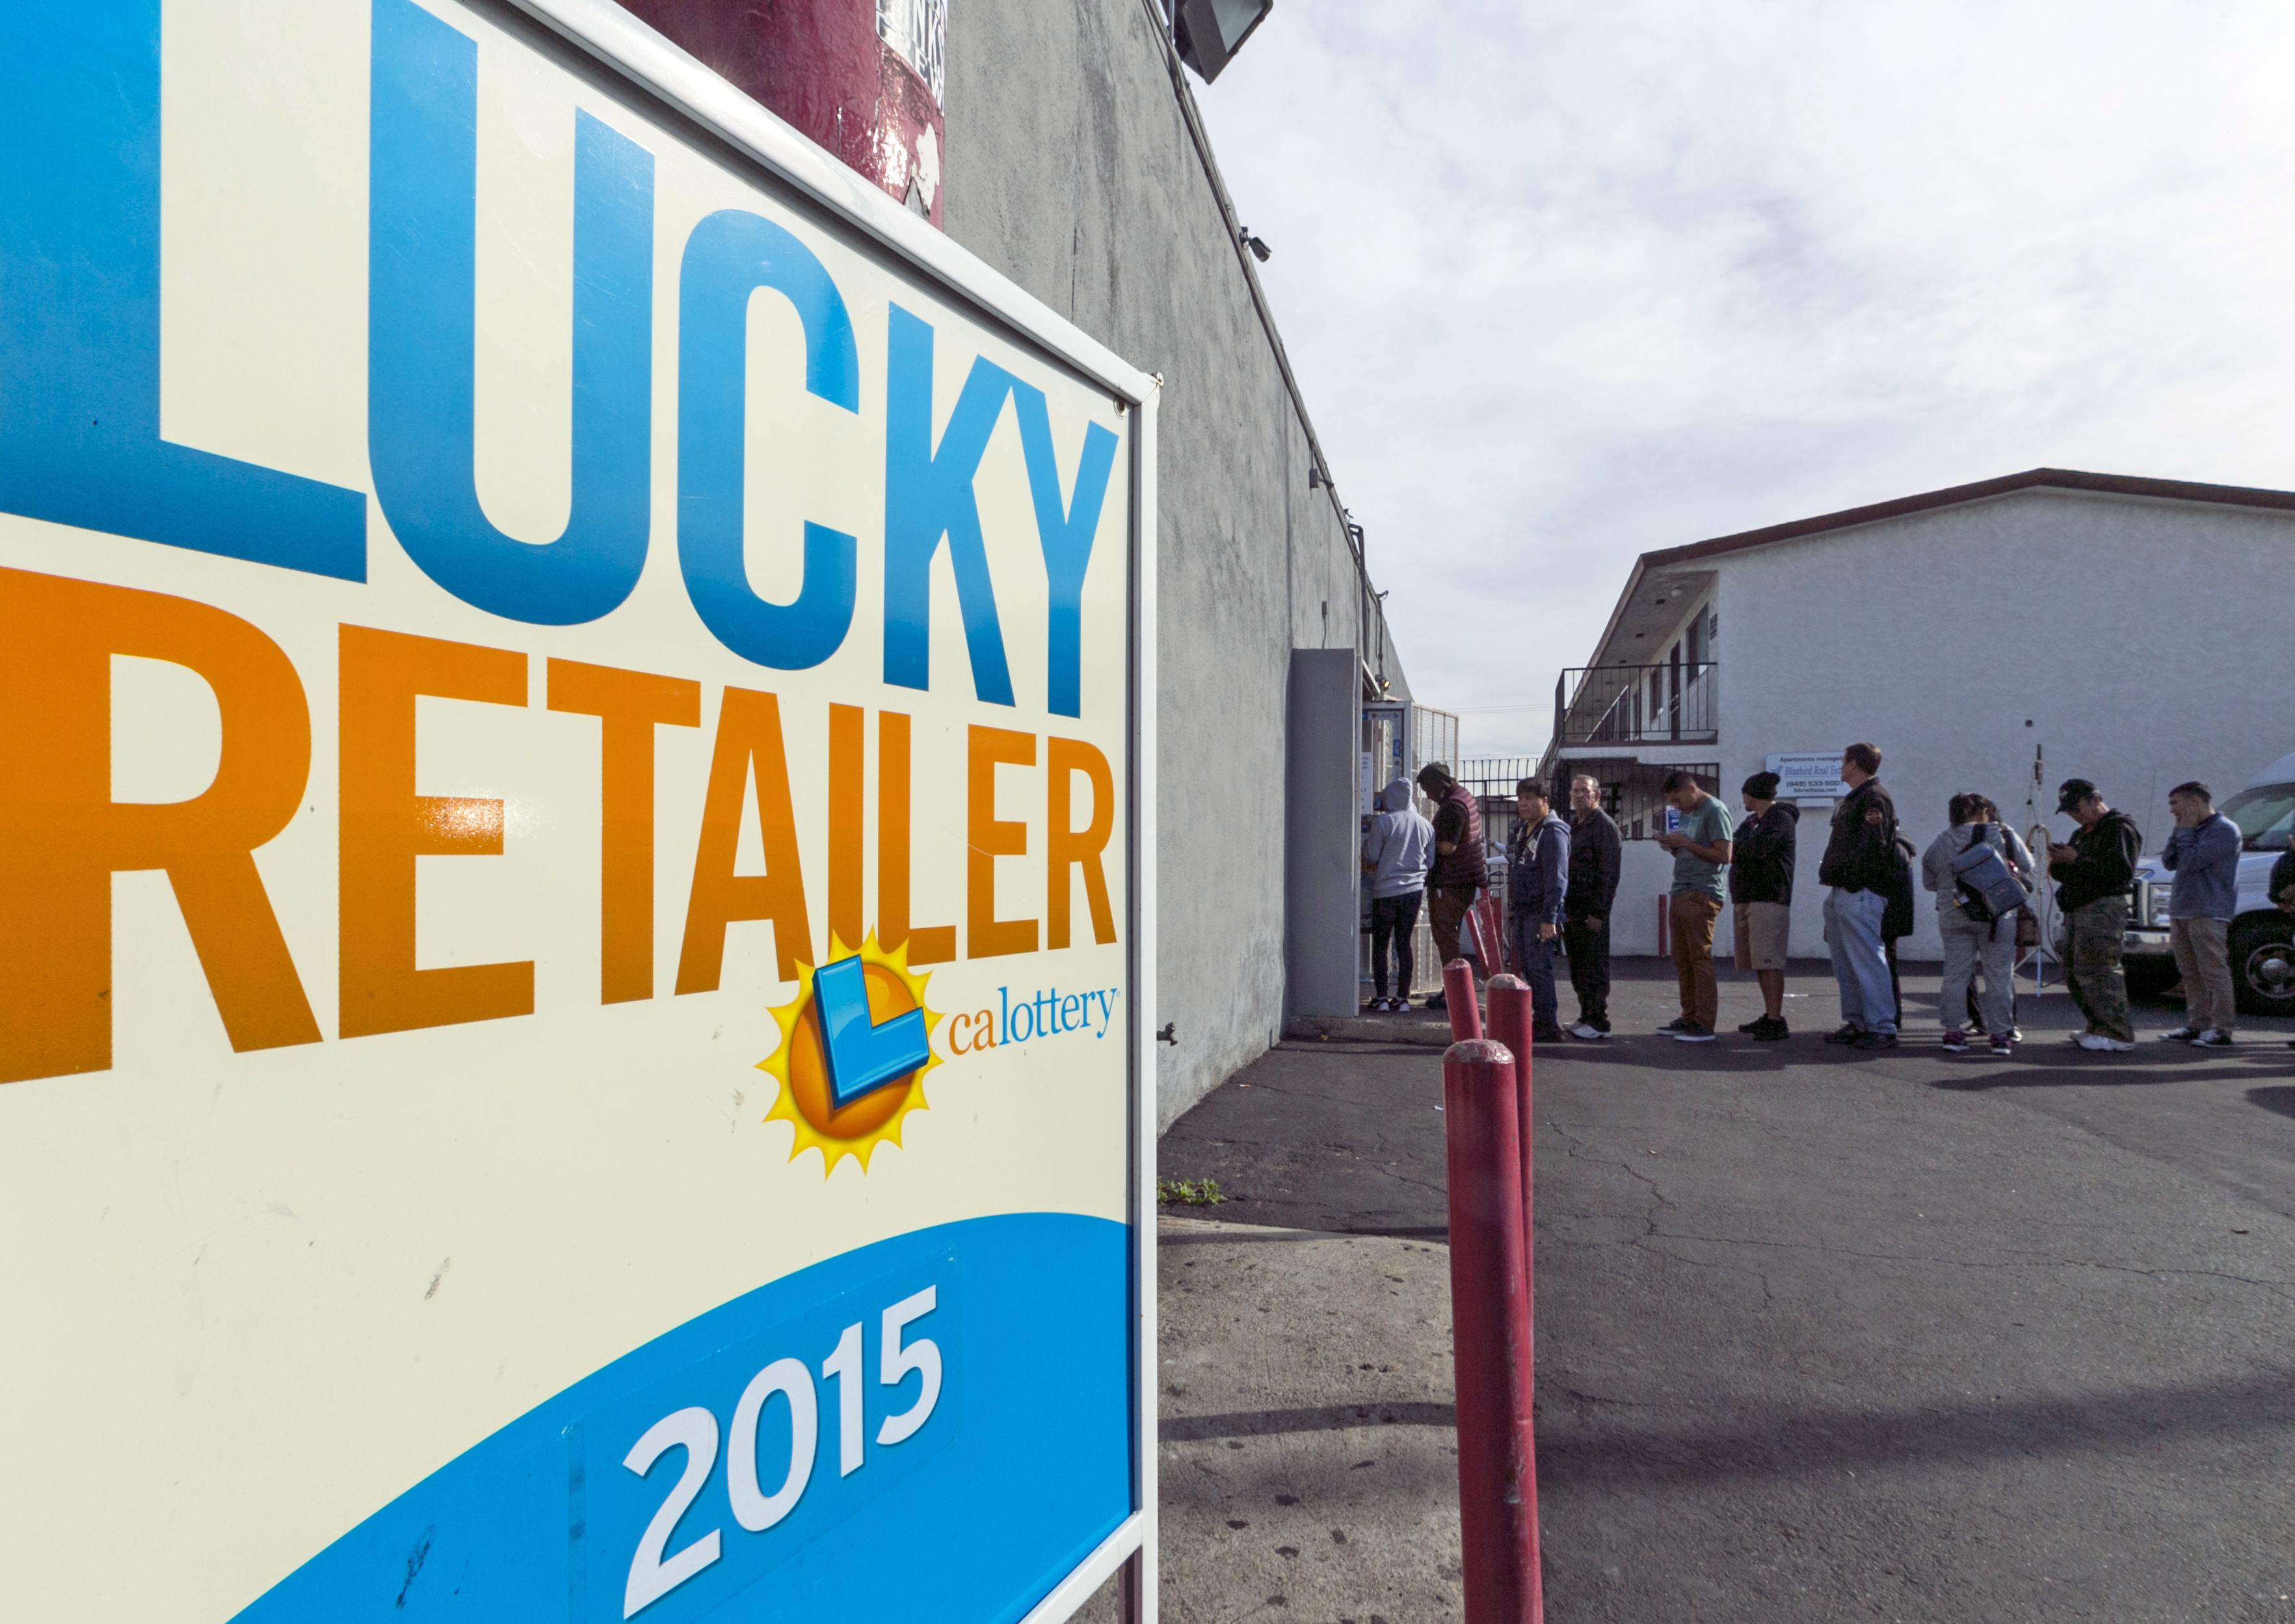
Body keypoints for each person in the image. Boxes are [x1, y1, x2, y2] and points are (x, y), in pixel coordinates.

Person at [1921, 793, 2036, 1057]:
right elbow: (2027, 865)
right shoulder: (2003, 834)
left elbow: (1929, 881)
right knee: (1999, 975)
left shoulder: (1944, 839)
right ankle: (2000, 1035)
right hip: (1998, 914)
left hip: (1955, 912)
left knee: (1956, 973)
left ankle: (1953, 1032)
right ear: (1983, 810)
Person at [2046, 778, 2141, 1053]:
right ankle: (2098, 1026)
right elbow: (2069, 873)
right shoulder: (2083, 833)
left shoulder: (2118, 829)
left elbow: (2120, 873)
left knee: (2101, 969)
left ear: (2095, 799)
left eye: (2077, 808)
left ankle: (2119, 1033)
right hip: (2079, 907)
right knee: (2076, 971)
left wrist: (2076, 859)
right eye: (2070, 812)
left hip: (2102, 908)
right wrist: (2060, 860)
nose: (2075, 816)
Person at [1818, 742, 1902, 1050]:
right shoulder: (1854, 799)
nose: (1841, 766)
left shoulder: (1873, 798)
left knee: (1867, 961)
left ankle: (1881, 1027)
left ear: (1854, 764)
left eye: (1843, 761)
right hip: (1843, 891)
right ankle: (1857, 1021)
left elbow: (1873, 848)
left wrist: (1853, 882)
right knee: (1846, 963)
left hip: (1860, 892)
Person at [2157, 780, 2240, 1046]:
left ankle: (2222, 1029)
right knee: (2189, 972)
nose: (2171, 810)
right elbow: (2170, 861)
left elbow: (2192, 862)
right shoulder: (2186, 829)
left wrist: (2184, 833)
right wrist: (2180, 831)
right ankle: (2197, 1024)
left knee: (2213, 971)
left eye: (2175, 804)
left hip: (2208, 910)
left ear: (2194, 802)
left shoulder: (2225, 830)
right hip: (2182, 909)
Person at [1655, 770, 1732, 1041]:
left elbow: (1724, 855)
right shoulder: (1689, 812)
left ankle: (1704, 1023)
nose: (1676, 807)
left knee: (1699, 956)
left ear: (1691, 788)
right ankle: (1689, 1016)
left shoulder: (1715, 811)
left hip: (1702, 893)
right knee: (1682, 957)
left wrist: (1685, 842)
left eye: (1678, 800)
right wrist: (1673, 846)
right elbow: (1692, 848)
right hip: (1681, 890)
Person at [1730, 771, 1797, 1040]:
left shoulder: (1780, 819)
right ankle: (1770, 1015)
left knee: (1770, 961)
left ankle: (1776, 1019)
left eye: (1745, 793)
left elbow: (1753, 850)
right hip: (1747, 897)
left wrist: (1738, 848)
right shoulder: (1750, 822)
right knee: (1759, 961)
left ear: (1753, 794)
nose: (1743, 799)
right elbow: (1734, 847)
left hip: (1768, 898)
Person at [1416, 762, 1487, 1009]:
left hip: (1451, 881)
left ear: (1439, 786)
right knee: (1449, 936)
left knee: (1446, 937)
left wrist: (1422, 843)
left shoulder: (1452, 807)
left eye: (1428, 789)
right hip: (1464, 879)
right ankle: (1454, 991)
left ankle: (1454, 994)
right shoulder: (1465, 797)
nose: (1427, 796)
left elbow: (1448, 847)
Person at [1506, 779, 1570, 1043]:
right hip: (1523, 912)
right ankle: (1538, 1018)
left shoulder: (1553, 832)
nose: (1523, 803)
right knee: (1529, 969)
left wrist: (1549, 918)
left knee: (1539, 967)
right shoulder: (1526, 829)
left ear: (1545, 801)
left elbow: (1557, 879)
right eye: (1520, 798)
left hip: (1538, 914)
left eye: (1530, 798)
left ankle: (1548, 1023)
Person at [1361, 778, 1432, 1012]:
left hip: (1386, 891)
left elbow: (1371, 855)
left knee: (1380, 944)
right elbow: (1430, 861)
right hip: (1414, 891)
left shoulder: (1384, 821)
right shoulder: (1425, 824)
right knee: (1404, 943)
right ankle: (1402, 998)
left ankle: (1381, 997)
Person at [1562, 773, 1622, 1040]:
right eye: (1575, 791)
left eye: (1584, 791)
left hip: (1591, 911)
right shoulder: (1577, 825)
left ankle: (1599, 1022)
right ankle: (1586, 1016)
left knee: (1594, 966)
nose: (1579, 795)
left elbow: (1609, 874)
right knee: (1578, 966)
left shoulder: (1604, 827)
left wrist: (1600, 912)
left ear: (1597, 795)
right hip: (1574, 908)